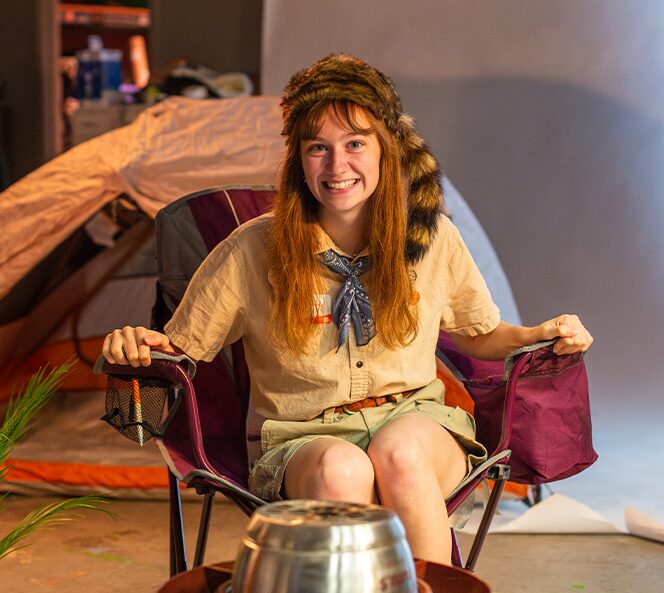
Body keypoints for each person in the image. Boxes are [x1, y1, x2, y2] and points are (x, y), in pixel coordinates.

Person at [102, 54, 593, 564]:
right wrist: (136, 341)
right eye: (319, 148)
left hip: (417, 420)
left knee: (399, 457)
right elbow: (181, 349)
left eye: (355, 144)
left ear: (386, 150)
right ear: (298, 159)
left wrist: (539, 332)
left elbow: (477, 335)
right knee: (343, 470)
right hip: (303, 435)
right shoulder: (252, 249)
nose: (338, 167)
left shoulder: (431, 237)